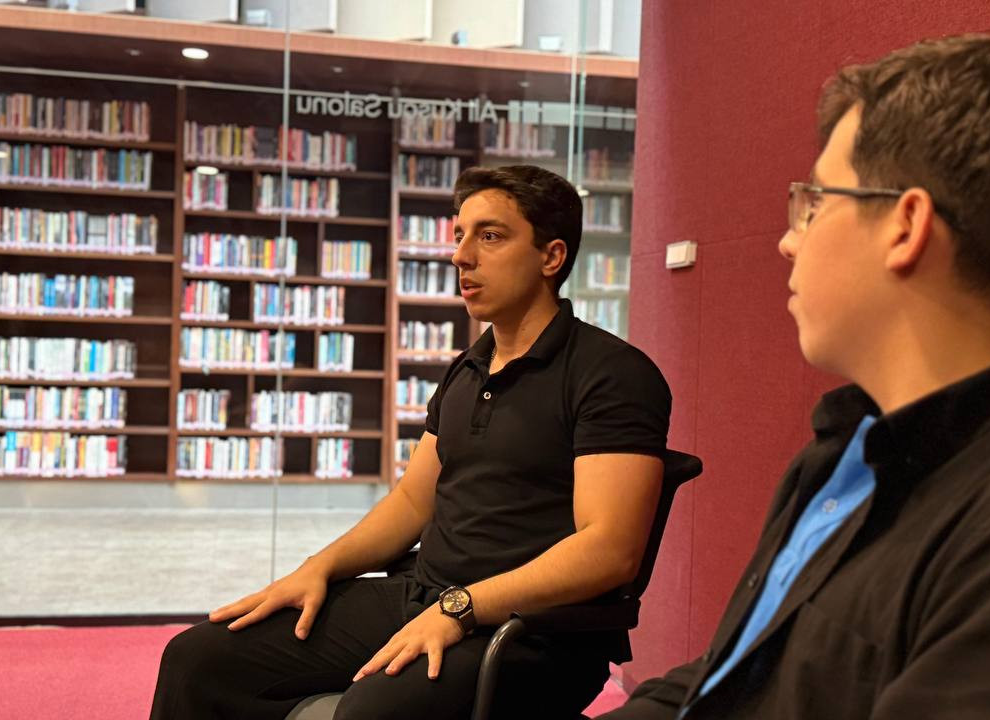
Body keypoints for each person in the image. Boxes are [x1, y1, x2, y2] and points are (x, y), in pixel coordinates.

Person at [600, 32, 990, 720]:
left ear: (905, 225)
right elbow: (730, 681)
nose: (788, 239)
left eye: (815, 202)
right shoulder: (847, 447)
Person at [150, 164, 672, 720]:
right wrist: (318, 567)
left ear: (552, 257)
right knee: (197, 659)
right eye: (460, 235)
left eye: (490, 236)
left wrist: (460, 607)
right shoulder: (467, 369)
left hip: (532, 632)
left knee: (372, 711)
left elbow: (609, 550)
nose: (461, 256)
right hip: (427, 597)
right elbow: (411, 503)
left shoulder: (612, 374)